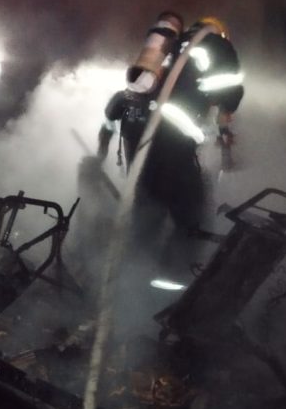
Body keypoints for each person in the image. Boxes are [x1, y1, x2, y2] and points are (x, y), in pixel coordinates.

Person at [90, 14, 245, 277]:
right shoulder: (217, 46)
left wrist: (100, 156)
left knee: (147, 215)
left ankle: (130, 279)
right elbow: (230, 92)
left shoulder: (171, 48)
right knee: (192, 216)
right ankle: (172, 285)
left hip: (143, 151)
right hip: (172, 147)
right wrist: (226, 114)